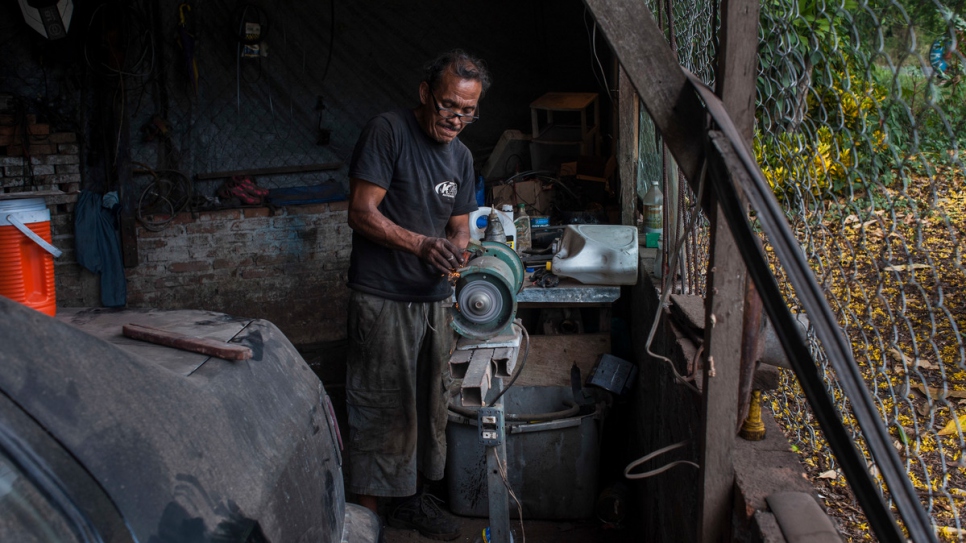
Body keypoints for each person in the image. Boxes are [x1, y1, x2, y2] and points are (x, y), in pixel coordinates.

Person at [344, 49, 490, 541]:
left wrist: (456, 251)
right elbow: (362, 211)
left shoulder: (463, 157)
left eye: (468, 111)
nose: (457, 118)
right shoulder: (388, 132)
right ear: (425, 93)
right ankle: (368, 519)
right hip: (382, 298)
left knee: (427, 408)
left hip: (432, 302)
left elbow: (460, 226)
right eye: (449, 104)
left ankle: (409, 504)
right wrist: (421, 244)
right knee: (381, 407)